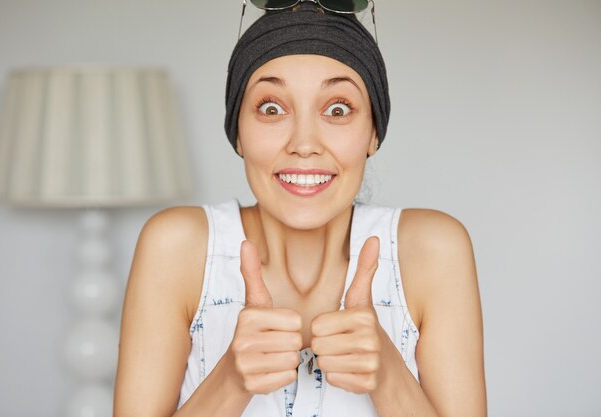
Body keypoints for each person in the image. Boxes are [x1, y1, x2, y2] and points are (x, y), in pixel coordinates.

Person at [113, 2, 487, 416]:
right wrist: (230, 382)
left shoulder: (432, 252)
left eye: (337, 109)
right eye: (272, 108)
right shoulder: (178, 248)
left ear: (373, 133)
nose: (304, 143)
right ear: (238, 133)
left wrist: (390, 379)